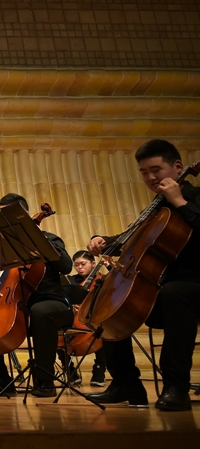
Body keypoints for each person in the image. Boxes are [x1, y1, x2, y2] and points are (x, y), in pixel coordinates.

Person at [86, 139, 200, 412]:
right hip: (161, 287)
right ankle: (127, 384)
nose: (150, 178)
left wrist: (180, 202)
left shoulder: (194, 198)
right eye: (144, 172)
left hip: (192, 284)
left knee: (175, 293)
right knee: (108, 301)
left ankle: (176, 387)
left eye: (156, 170)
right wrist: (105, 241)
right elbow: (137, 240)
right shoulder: (156, 206)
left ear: (178, 166)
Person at [0, 193, 74, 397]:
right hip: (17, 304)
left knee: (40, 312)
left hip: (51, 302)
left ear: (23, 214)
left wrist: (38, 238)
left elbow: (66, 266)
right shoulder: (3, 247)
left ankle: (44, 380)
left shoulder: (49, 238)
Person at [68, 249, 106, 387]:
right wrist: (70, 305)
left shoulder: (103, 280)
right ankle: (70, 370)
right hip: (74, 318)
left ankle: (99, 371)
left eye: (83, 264)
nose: (79, 267)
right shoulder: (70, 281)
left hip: (94, 317)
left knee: (102, 332)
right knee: (58, 336)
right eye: (76, 265)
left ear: (93, 263)